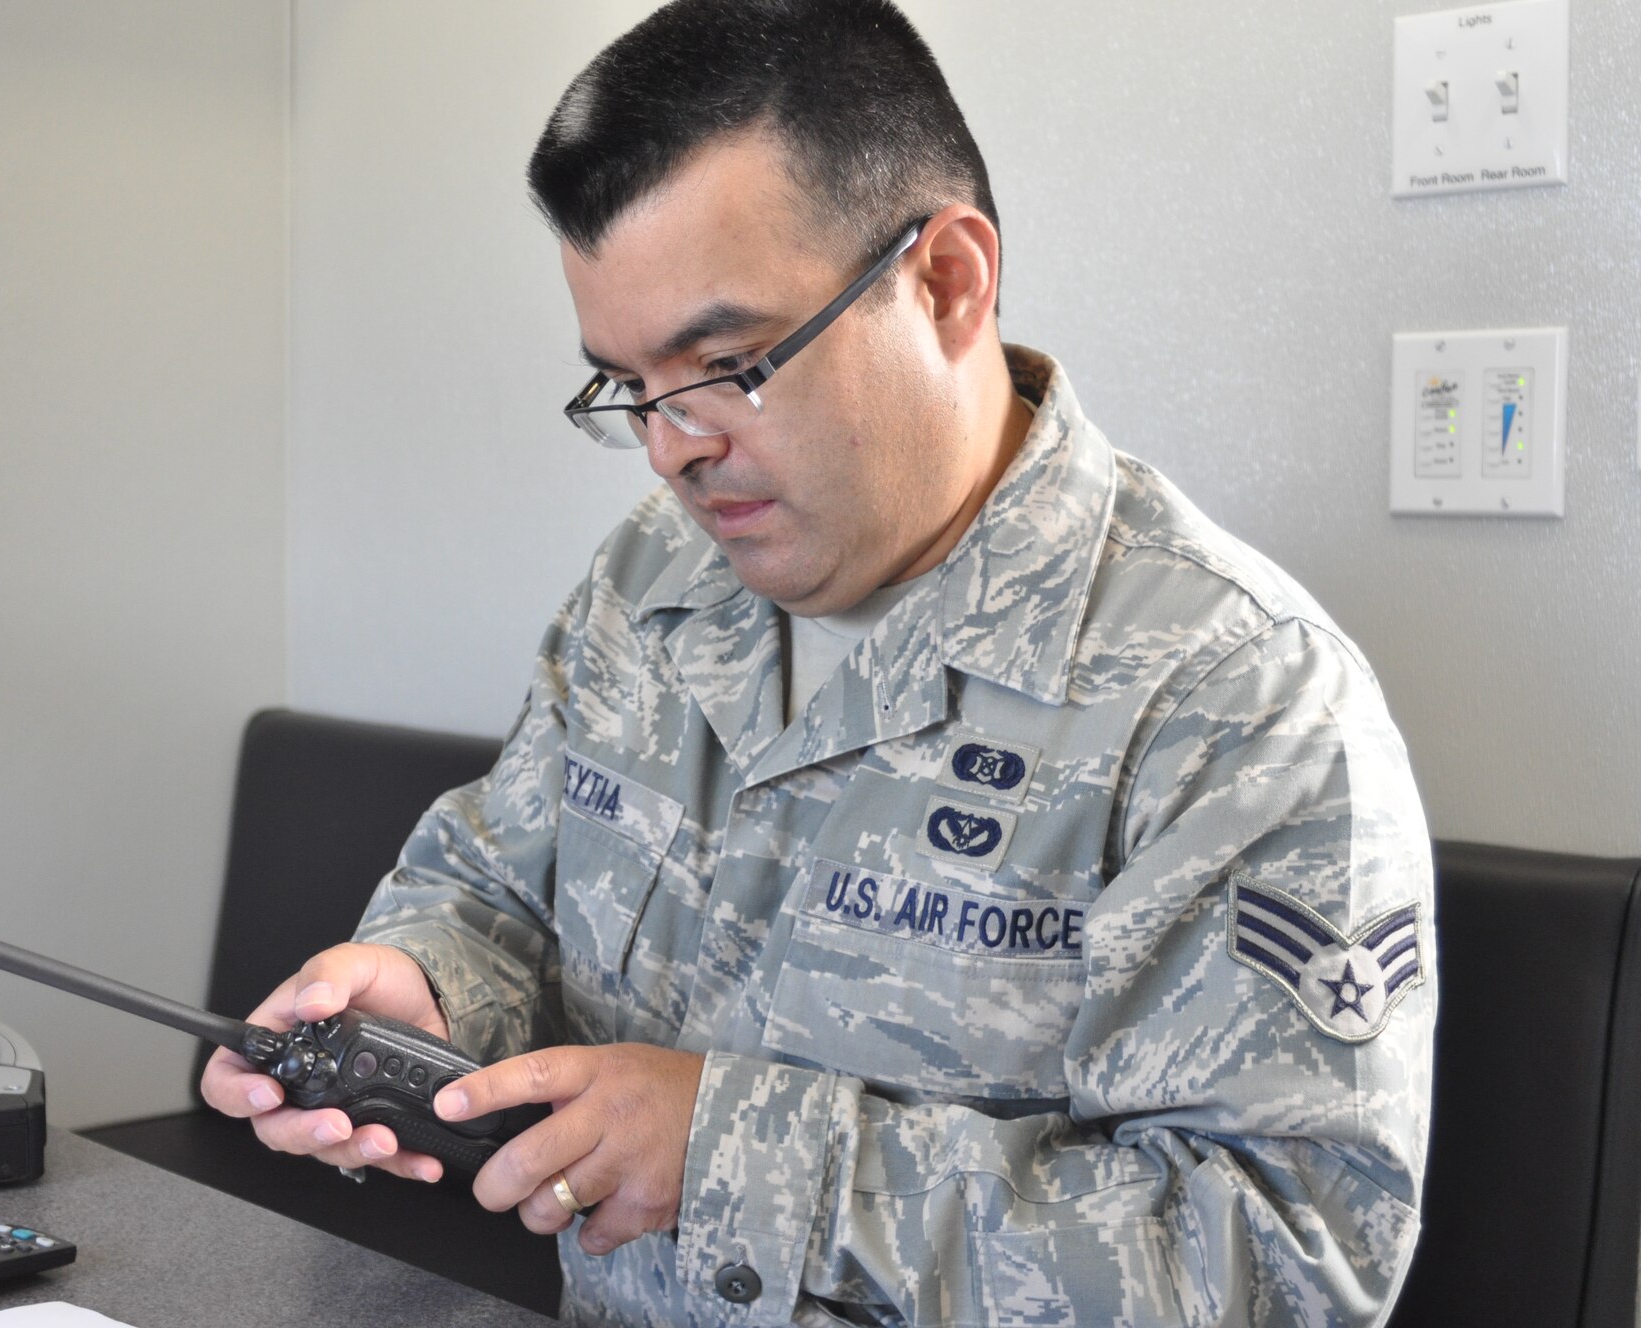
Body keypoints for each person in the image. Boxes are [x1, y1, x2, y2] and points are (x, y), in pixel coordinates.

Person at [204, 2, 1435, 1323]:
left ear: (948, 283)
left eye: (728, 365)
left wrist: (738, 1159)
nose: (676, 447)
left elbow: (1284, 1263)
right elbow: (501, 889)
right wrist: (423, 986)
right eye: (626, 386)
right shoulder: (651, 582)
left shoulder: (1232, 700)